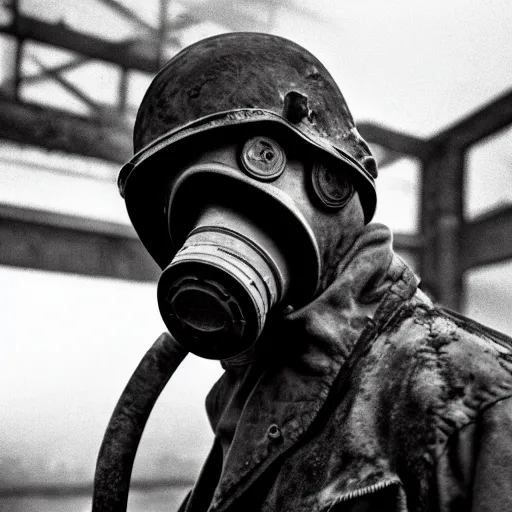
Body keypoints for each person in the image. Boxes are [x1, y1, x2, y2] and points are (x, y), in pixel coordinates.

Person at [118, 32, 512, 512]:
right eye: (197, 205)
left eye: (258, 164)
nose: (216, 227)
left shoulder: (477, 397)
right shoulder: (242, 409)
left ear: (334, 181)